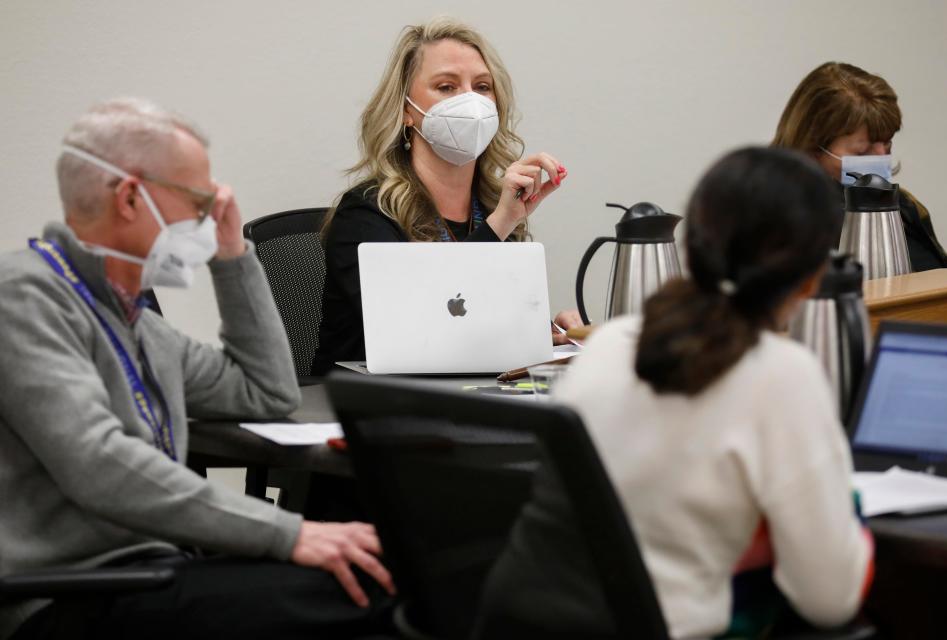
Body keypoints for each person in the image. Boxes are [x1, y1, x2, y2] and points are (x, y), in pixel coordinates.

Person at [0, 98, 394, 640]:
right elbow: (101, 466)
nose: (209, 215)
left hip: (154, 575)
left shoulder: (138, 324)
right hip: (66, 598)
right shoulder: (24, 298)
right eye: (199, 199)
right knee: (375, 593)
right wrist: (289, 534)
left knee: (391, 577)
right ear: (132, 196)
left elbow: (268, 392)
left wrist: (232, 254)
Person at [476, 147, 874, 639]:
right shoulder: (782, 375)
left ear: (692, 246)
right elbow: (830, 600)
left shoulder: (606, 347)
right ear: (815, 276)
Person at [310, 17, 578, 375]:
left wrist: (544, 332)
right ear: (407, 110)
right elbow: (425, 325)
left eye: (482, 87)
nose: (469, 100)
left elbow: (480, 327)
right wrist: (500, 224)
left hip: (467, 400)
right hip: (367, 408)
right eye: (447, 87)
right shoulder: (365, 213)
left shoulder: (490, 206)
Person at [773, 61, 947, 272]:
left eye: (887, 142)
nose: (881, 157)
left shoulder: (904, 205)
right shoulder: (775, 215)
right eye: (862, 152)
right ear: (813, 148)